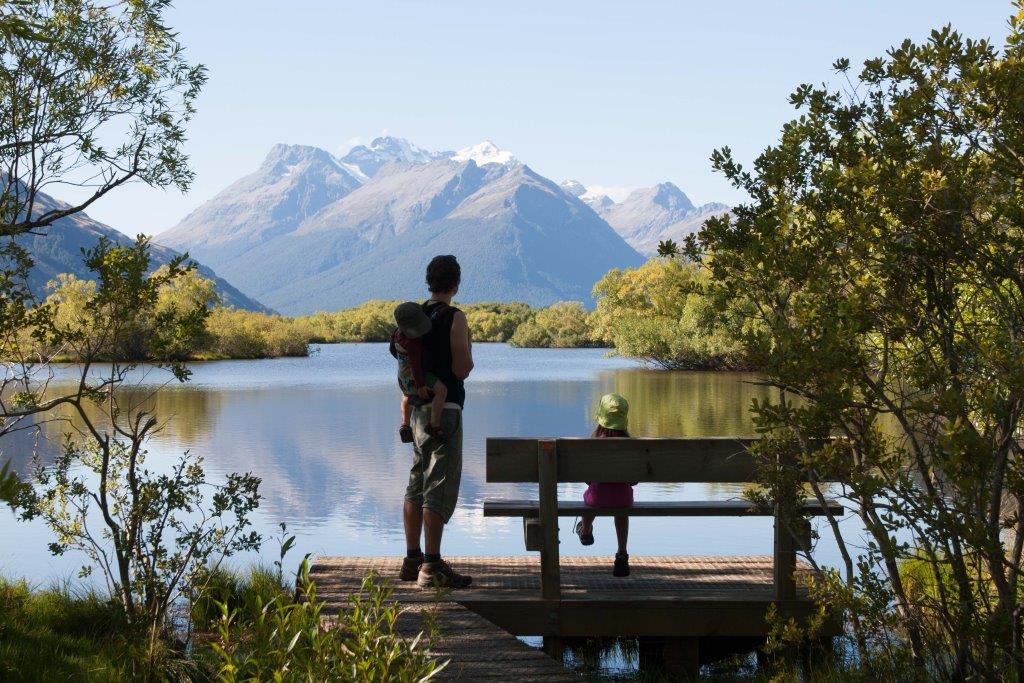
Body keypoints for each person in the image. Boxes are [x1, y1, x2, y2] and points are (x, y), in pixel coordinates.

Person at [398, 255, 474, 589]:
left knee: (417, 480)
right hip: (446, 412)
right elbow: (461, 369)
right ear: (455, 284)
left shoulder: (415, 315)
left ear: (429, 282)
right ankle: (431, 567)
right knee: (437, 486)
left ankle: (411, 559)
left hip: (417, 410)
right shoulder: (454, 318)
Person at [574, 393, 634, 577]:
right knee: (621, 509)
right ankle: (622, 553)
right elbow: (634, 481)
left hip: (596, 498)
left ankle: (585, 530)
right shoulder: (632, 447)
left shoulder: (592, 445)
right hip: (623, 499)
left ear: (601, 418)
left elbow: (587, 479)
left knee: (590, 498)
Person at [390, 302, 448, 444]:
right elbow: (416, 366)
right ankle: (434, 425)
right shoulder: (413, 342)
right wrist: (421, 385)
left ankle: (405, 424)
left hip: (402, 378)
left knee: (406, 396)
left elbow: (392, 350)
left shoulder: (396, 333)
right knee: (442, 391)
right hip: (416, 378)